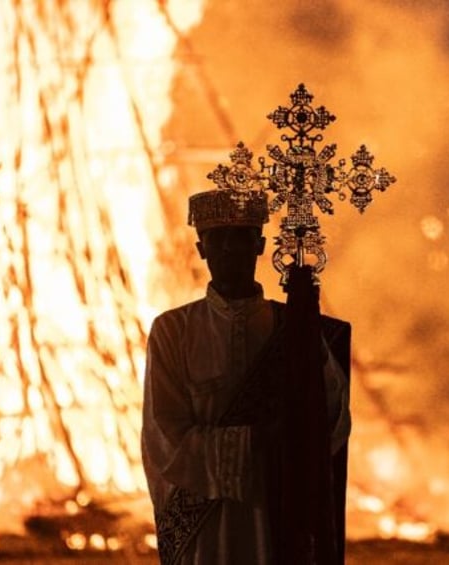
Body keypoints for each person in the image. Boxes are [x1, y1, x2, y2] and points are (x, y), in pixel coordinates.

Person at [141, 188, 352, 564]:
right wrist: (255, 442)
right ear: (201, 248)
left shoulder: (296, 329)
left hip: (277, 514)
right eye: (216, 238)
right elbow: (164, 437)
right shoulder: (173, 330)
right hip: (205, 524)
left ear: (259, 244)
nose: (228, 249)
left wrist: (295, 441)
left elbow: (331, 420)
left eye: (239, 237)